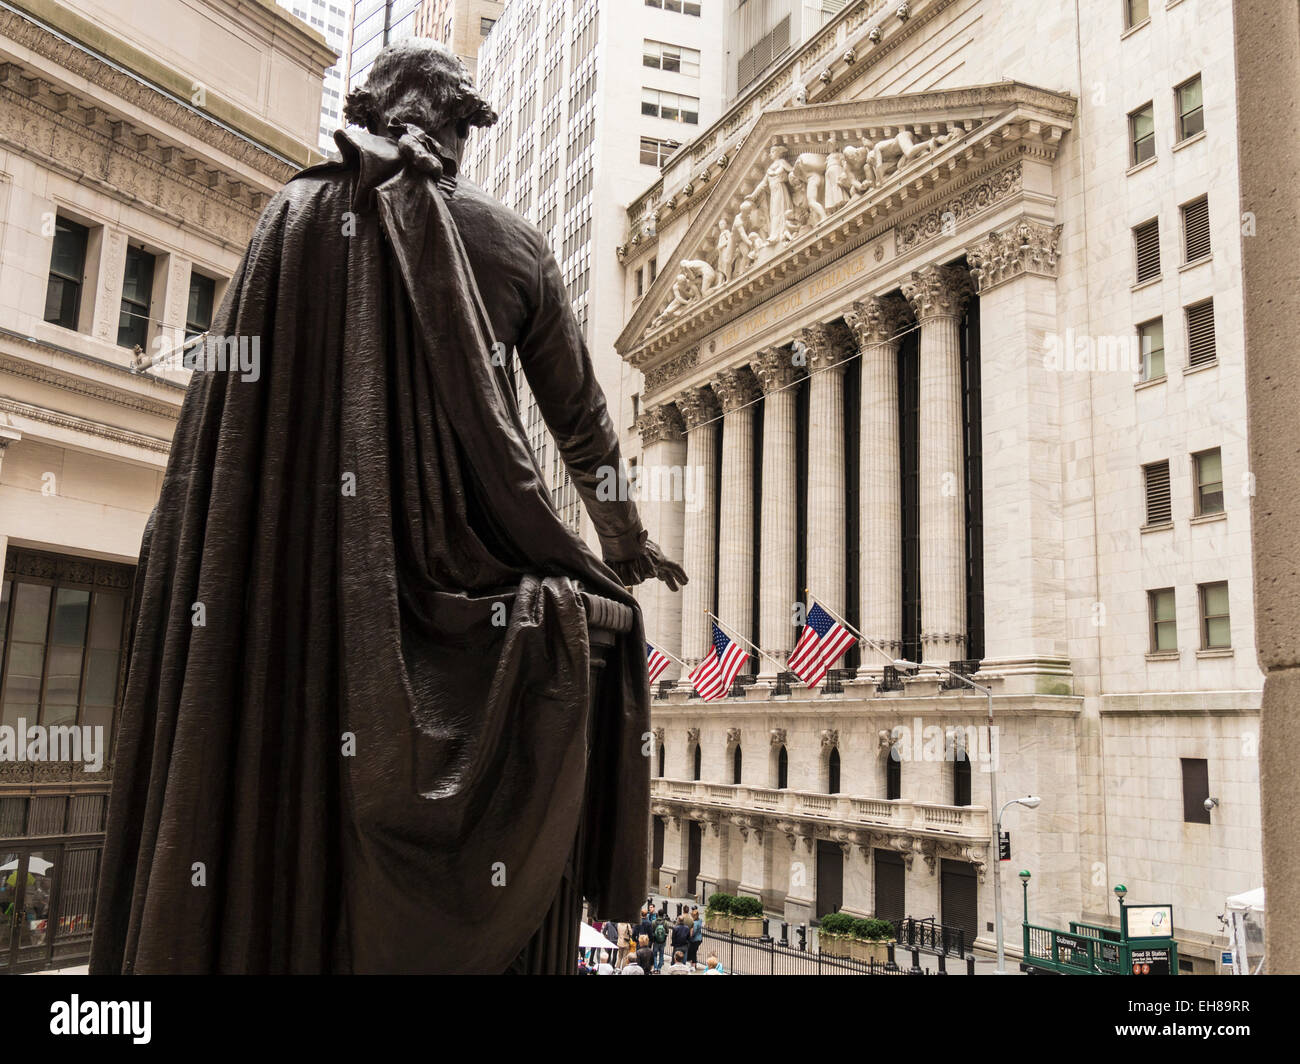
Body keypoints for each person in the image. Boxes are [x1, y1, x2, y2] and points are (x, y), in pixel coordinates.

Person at [87, 35, 687, 976]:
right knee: (584, 624)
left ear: (374, 110)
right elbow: (582, 424)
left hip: (300, 591)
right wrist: (625, 541)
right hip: (459, 590)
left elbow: (221, 438)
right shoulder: (513, 244)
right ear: (454, 130)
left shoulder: (288, 219)